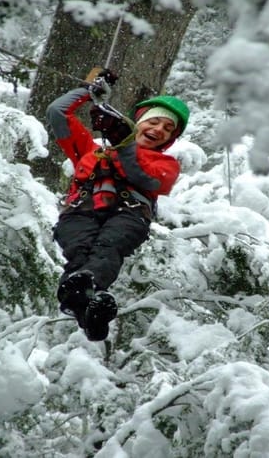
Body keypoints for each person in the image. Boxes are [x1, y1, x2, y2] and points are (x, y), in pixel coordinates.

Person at [46, 70, 190, 341]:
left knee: (106, 249)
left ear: (169, 140)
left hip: (128, 215)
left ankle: (87, 291)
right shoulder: (92, 150)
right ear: (139, 123)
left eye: (168, 128)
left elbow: (141, 176)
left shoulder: (166, 165)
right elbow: (57, 112)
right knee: (79, 255)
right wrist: (89, 91)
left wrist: (123, 142)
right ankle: (89, 312)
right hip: (80, 212)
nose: (159, 130)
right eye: (155, 122)